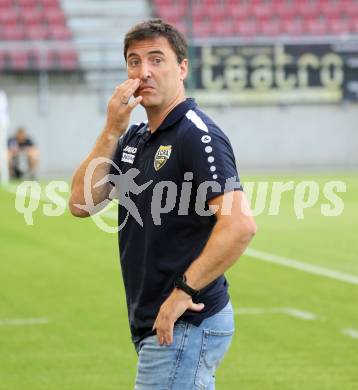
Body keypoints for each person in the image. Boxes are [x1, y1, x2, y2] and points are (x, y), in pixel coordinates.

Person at [69, 19, 257, 389]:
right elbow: (81, 203)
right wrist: (111, 129)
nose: (144, 72)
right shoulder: (136, 138)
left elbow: (240, 225)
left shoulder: (195, 133)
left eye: (157, 60)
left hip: (185, 321)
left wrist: (181, 294)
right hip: (157, 324)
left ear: (182, 67)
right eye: (134, 61)